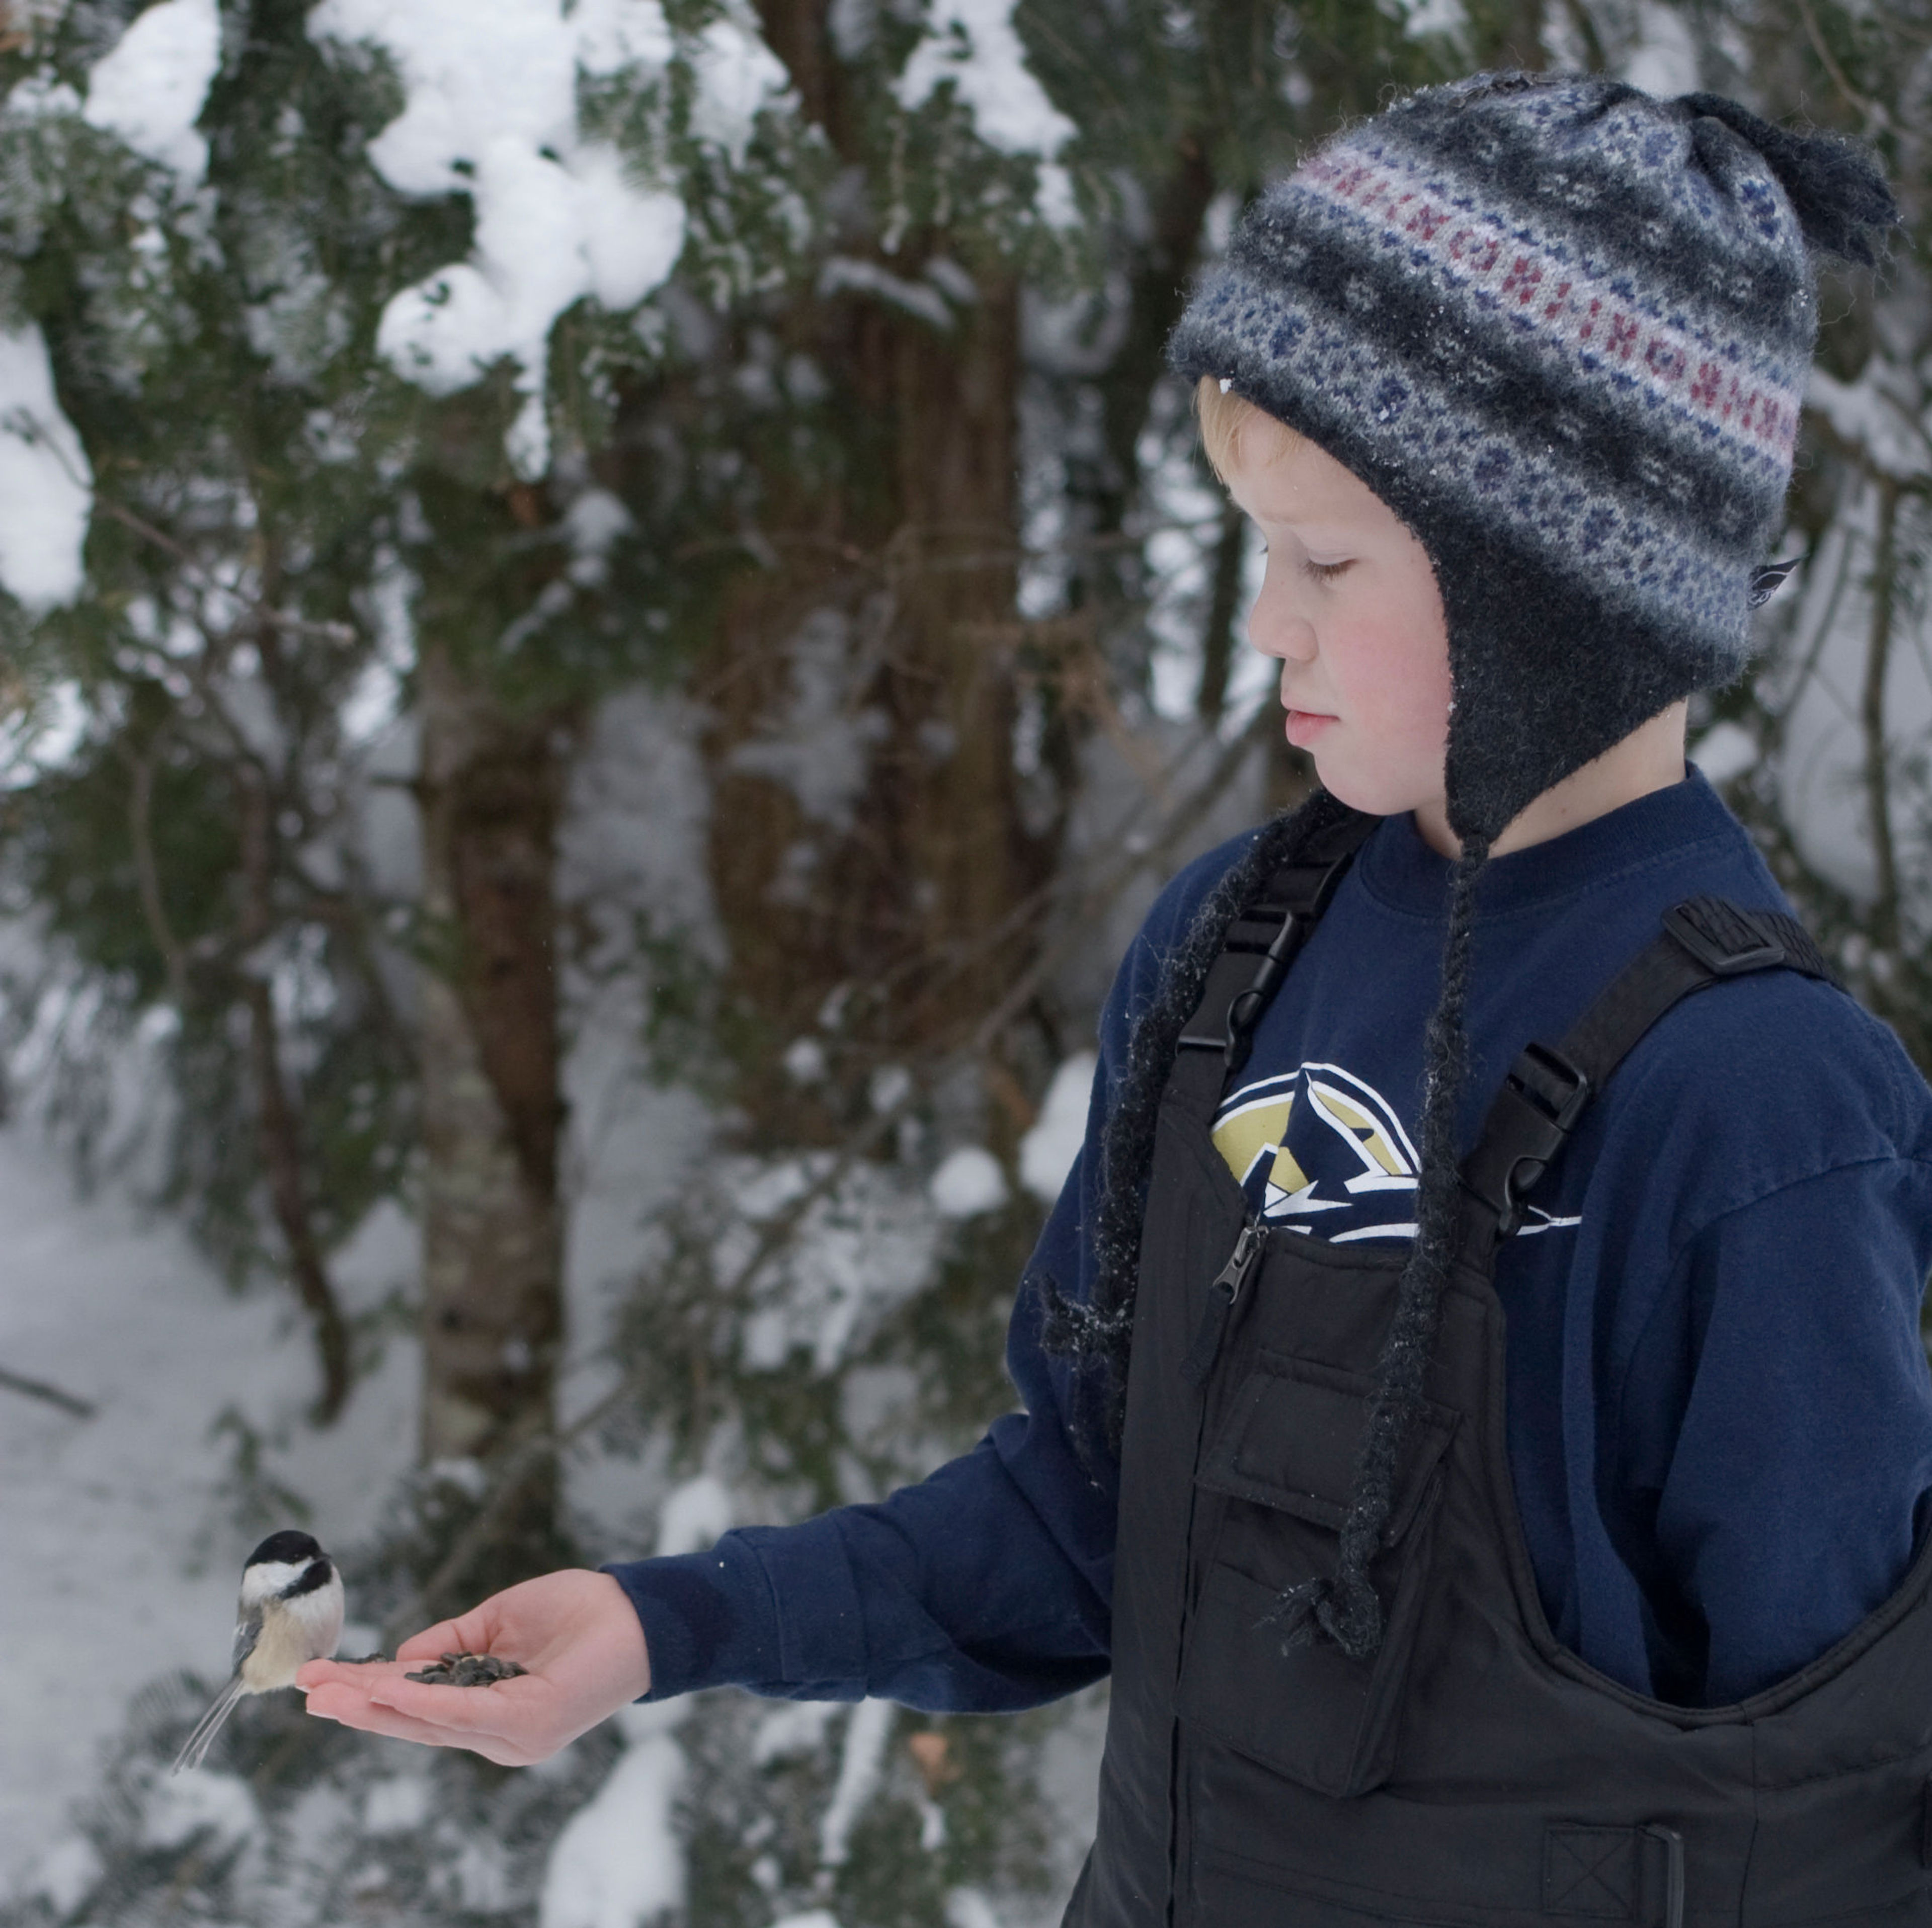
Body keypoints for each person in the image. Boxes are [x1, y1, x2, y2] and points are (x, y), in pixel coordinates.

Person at [304, 72, 1932, 1922]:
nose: (1268, 623)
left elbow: (1833, 1809)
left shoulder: (1763, 1106)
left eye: (1327, 561)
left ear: (1560, 589)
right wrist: (660, 1625)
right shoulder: (1234, 955)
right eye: (1261, 550)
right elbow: (1088, 1517)